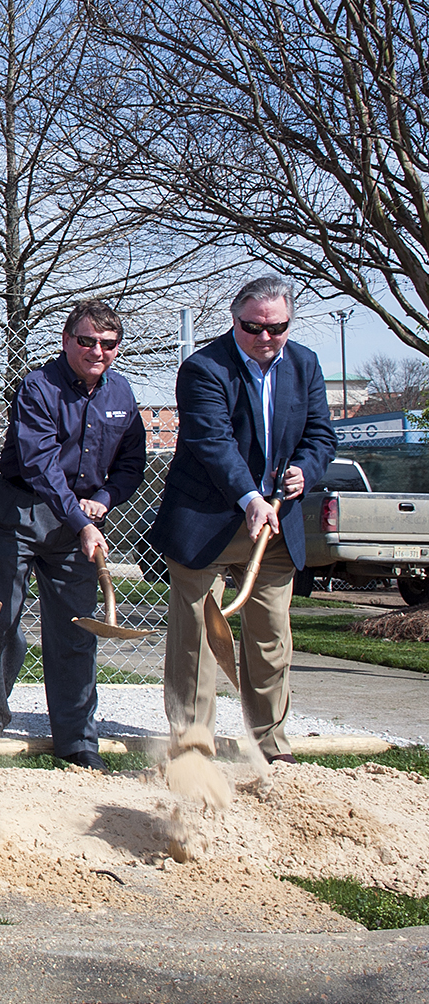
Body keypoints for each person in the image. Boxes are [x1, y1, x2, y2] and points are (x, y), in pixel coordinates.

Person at [153, 275, 335, 764]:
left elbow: (320, 435)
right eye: (252, 327)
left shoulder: (305, 365)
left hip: (275, 525)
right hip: (208, 522)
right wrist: (249, 496)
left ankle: (271, 746)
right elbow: (213, 442)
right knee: (196, 642)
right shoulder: (204, 368)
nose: (264, 338)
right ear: (235, 321)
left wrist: (305, 470)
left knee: (271, 638)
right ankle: (192, 748)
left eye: (276, 328)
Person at [0, 299, 147, 769]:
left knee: (75, 630)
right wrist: (82, 520)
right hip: (23, 512)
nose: (97, 351)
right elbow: (40, 466)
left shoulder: (122, 396)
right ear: (68, 341)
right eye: (86, 341)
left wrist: (103, 502)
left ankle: (77, 741)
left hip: (77, 525)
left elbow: (131, 466)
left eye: (108, 344)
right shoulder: (38, 387)